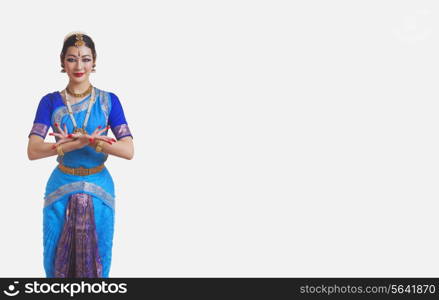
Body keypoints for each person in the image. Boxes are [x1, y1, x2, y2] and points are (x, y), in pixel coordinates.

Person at [27, 32, 134, 278]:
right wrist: (68, 146)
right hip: (60, 186)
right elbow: (33, 150)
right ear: (62, 61)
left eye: (85, 59)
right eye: (72, 59)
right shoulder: (49, 101)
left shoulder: (109, 101)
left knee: (100, 257)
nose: (79, 66)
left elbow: (128, 150)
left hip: (100, 188)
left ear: (94, 61)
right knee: (54, 258)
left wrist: (96, 142)